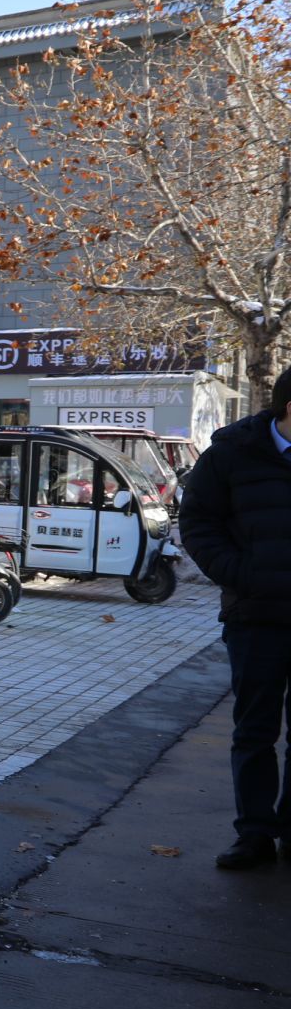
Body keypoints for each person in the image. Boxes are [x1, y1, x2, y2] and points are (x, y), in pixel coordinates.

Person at [179, 367, 291, 870]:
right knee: (254, 731)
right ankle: (255, 834)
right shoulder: (232, 453)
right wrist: (241, 574)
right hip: (255, 616)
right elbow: (197, 521)